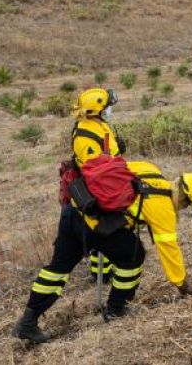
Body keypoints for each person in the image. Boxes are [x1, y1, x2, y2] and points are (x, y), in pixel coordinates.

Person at [12, 163, 192, 344]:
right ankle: (116, 309)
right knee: (134, 254)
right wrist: (182, 284)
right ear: (184, 196)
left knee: (56, 270)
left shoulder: (150, 169)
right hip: (94, 224)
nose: (185, 208)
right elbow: (169, 250)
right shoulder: (163, 207)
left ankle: (28, 321)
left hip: (75, 208)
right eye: (188, 204)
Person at [71, 88, 125, 282]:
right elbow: (94, 169)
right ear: (96, 110)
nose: (109, 109)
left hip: (110, 182)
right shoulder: (86, 135)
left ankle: (108, 266)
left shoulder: (98, 125)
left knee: (111, 228)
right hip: (98, 187)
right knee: (102, 230)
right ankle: (101, 274)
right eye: (106, 106)